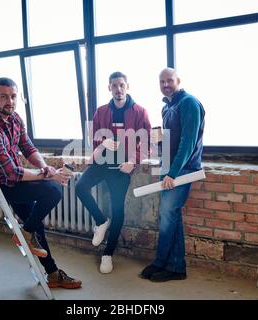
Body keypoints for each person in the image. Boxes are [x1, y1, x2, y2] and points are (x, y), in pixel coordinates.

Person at [0, 77, 82, 289]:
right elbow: (12, 173)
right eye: (4, 96)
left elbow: (28, 148)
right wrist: (49, 175)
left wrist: (45, 167)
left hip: (14, 182)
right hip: (0, 186)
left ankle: (51, 272)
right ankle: (26, 233)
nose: (10, 101)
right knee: (52, 191)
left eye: (13, 96)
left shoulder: (14, 118)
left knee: (35, 222)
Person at [76, 71, 151, 274]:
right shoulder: (100, 112)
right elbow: (93, 141)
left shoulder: (140, 112)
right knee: (80, 187)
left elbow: (146, 144)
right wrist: (103, 142)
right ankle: (101, 221)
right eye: (114, 85)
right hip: (101, 164)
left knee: (117, 210)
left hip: (121, 169)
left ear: (127, 86)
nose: (118, 89)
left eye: (121, 85)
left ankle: (108, 255)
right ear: (109, 87)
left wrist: (133, 162)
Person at [140, 68, 205, 282]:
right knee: (170, 216)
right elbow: (168, 142)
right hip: (169, 169)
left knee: (168, 215)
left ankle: (169, 265)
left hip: (183, 170)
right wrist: (162, 167)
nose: (165, 84)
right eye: (162, 81)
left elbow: (188, 142)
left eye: (169, 80)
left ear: (178, 81)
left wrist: (173, 173)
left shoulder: (189, 103)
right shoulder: (167, 107)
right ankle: (171, 264)